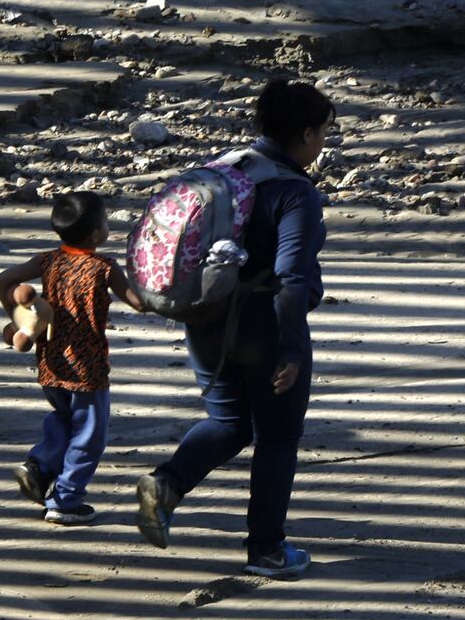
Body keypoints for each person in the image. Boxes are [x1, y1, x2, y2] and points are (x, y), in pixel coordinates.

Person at [133, 78, 334, 580]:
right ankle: (266, 549)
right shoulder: (295, 192)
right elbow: (291, 276)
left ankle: (167, 484)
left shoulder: (225, 169)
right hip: (266, 326)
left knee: (228, 421)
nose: (324, 142)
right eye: (325, 132)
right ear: (307, 133)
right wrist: (291, 349)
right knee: (278, 438)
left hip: (206, 318)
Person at [0, 192, 142, 526]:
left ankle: (39, 466)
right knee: (89, 435)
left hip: (50, 365)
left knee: (64, 419)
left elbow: (3, 280)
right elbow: (139, 302)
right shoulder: (104, 267)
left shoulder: (47, 260)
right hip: (87, 368)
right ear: (95, 235)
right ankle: (66, 500)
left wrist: (17, 320)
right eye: (105, 222)